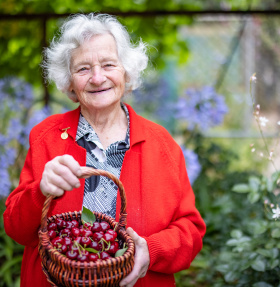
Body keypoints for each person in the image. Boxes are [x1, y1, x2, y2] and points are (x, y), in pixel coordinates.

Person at [3, 13, 206, 287]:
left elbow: (190, 231)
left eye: (109, 64)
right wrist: (40, 190)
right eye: (83, 69)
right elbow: (16, 227)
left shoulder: (162, 145)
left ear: (126, 71)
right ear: (70, 83)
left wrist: (151, 250)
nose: (98, 78)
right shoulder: (46, 137)